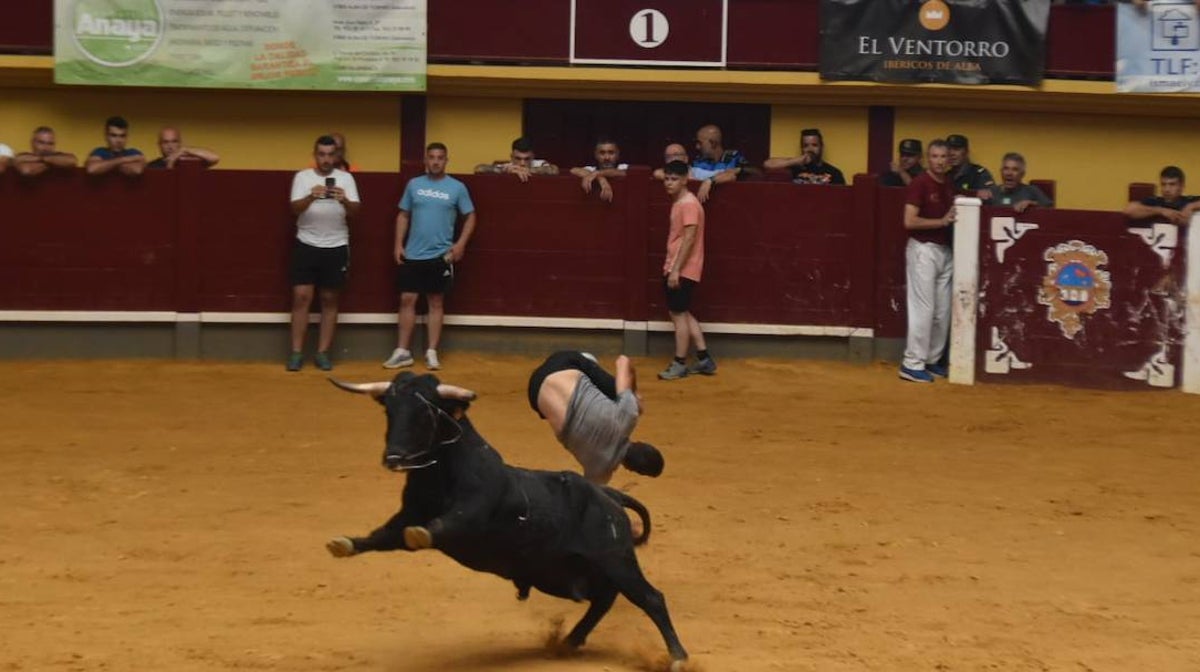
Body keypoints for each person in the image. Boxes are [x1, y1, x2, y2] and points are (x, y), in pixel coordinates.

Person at [384, 142, 477, 371]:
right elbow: (403, 215)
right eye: (432, 157)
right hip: (413, 253)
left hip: (440, 254)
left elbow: (471, 216)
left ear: (446, 161)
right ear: (425, 160)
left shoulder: (457, 188)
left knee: (436, 301)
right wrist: (398, 244)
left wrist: (461, 244)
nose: (435, 161)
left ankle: (431, 351)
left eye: (440, 158)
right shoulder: (414, 185)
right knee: (407, 300)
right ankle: (403, 351)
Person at [527, 351, 665, 484]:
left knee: (617, 392)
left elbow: (623, 361)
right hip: (535, 392)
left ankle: (587, 358)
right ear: (631, 469)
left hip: (562, 364)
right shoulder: (600, 473)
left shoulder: (629, 416)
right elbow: (588, 496)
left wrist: (634, 396)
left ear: (641, 443)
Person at [285, 135, 361, 372]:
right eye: (322, 154)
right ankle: (297, 353)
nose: (326, 159)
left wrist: (344, 200)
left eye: (330, 155)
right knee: (301, 298)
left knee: (330, 299)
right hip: (306, 243)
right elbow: (293, 209)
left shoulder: (346, 178)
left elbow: (356, 211)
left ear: (337, 156)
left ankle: (323, 353)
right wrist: (311, 196)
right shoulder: (303, 177)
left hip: (336, 244)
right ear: (315, 155)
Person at [899, 139, 956, 383]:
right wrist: (941, 222)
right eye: (935, 156)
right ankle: (912, 363)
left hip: (943, 250)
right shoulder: (920, 183)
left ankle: (931, 360)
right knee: (924, 308)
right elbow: (909, 221)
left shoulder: (949, 184)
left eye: (943, 156)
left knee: (942, 312)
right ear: (928, 158)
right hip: (923, 249)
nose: (939, 161)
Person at [658, 160, 716, 380]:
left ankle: (680, 362)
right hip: (683, 266)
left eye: (674, 179)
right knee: (683, 311)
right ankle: (704, 358)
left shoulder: (687, 204)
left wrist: (675, 270)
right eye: (667, 178)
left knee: (678, 314)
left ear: (684, 180)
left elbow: (690, 238)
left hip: (682, 268)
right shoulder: (683, 202)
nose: (669, 183)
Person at [689, 124, 749, 203]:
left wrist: (737, 170)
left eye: (700, 143)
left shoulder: (734, 158)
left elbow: (755, 172)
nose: (697, 147)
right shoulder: (697, 162)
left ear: (713, 143)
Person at [764, 128, 846, 185]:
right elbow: (767, 164)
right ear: (802, 148)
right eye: (806, 145)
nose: (810, 149)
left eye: (814, 145)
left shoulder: (834, 173)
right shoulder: (794, 168)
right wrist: (795, 161)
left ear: (821, 147)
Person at [1123, 165, 1200, 226]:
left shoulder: (1188, 201)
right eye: (1163, 184)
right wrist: (1161, 211)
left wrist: (1191, 206)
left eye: (1172, 184)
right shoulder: (1155, 202)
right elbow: (1129, 209)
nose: (1166, 189)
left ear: (1182, 186)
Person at [569, 137, 628, 202]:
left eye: (611, 153)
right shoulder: (592, 169)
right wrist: (601, 180)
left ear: (617, 155)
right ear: (596, 155)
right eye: (602, 153)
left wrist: (596, 173)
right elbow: (573, 170)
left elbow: (622, 172)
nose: (607, 157)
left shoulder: (623, 167)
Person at [474, 136, 559, 181]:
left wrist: (528, 170)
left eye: (527, 159)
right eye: (518, 158)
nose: (522, 163)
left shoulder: (540, 164)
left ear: (533, 156)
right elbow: (478, 168)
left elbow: (554, 170)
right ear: (511, 157)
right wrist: (503, 170)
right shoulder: (507, 167)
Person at [945, 134, 995, 200]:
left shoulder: (979, 174)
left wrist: (966, 198)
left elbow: (990, 197)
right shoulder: (946, 176)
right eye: (949, 150)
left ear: (966, 152)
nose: (951, 153)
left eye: (956, 149)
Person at [13, 127, 78, 177]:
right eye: (41, 142)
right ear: (32, 143)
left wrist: (42, 159)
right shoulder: (24, 156)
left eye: (50, 143)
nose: (46, 147)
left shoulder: (59, 155)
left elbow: (72, 161)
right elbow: (26, 170)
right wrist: (49, 162)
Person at [145, 127, 220, 169]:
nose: (170, 146)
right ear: (159, 145)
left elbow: (214, 158)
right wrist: (171, 162)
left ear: (180, 143)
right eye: (165, 142)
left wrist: (185, 150)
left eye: (174, 141)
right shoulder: (151, 167)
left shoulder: (189, 162)